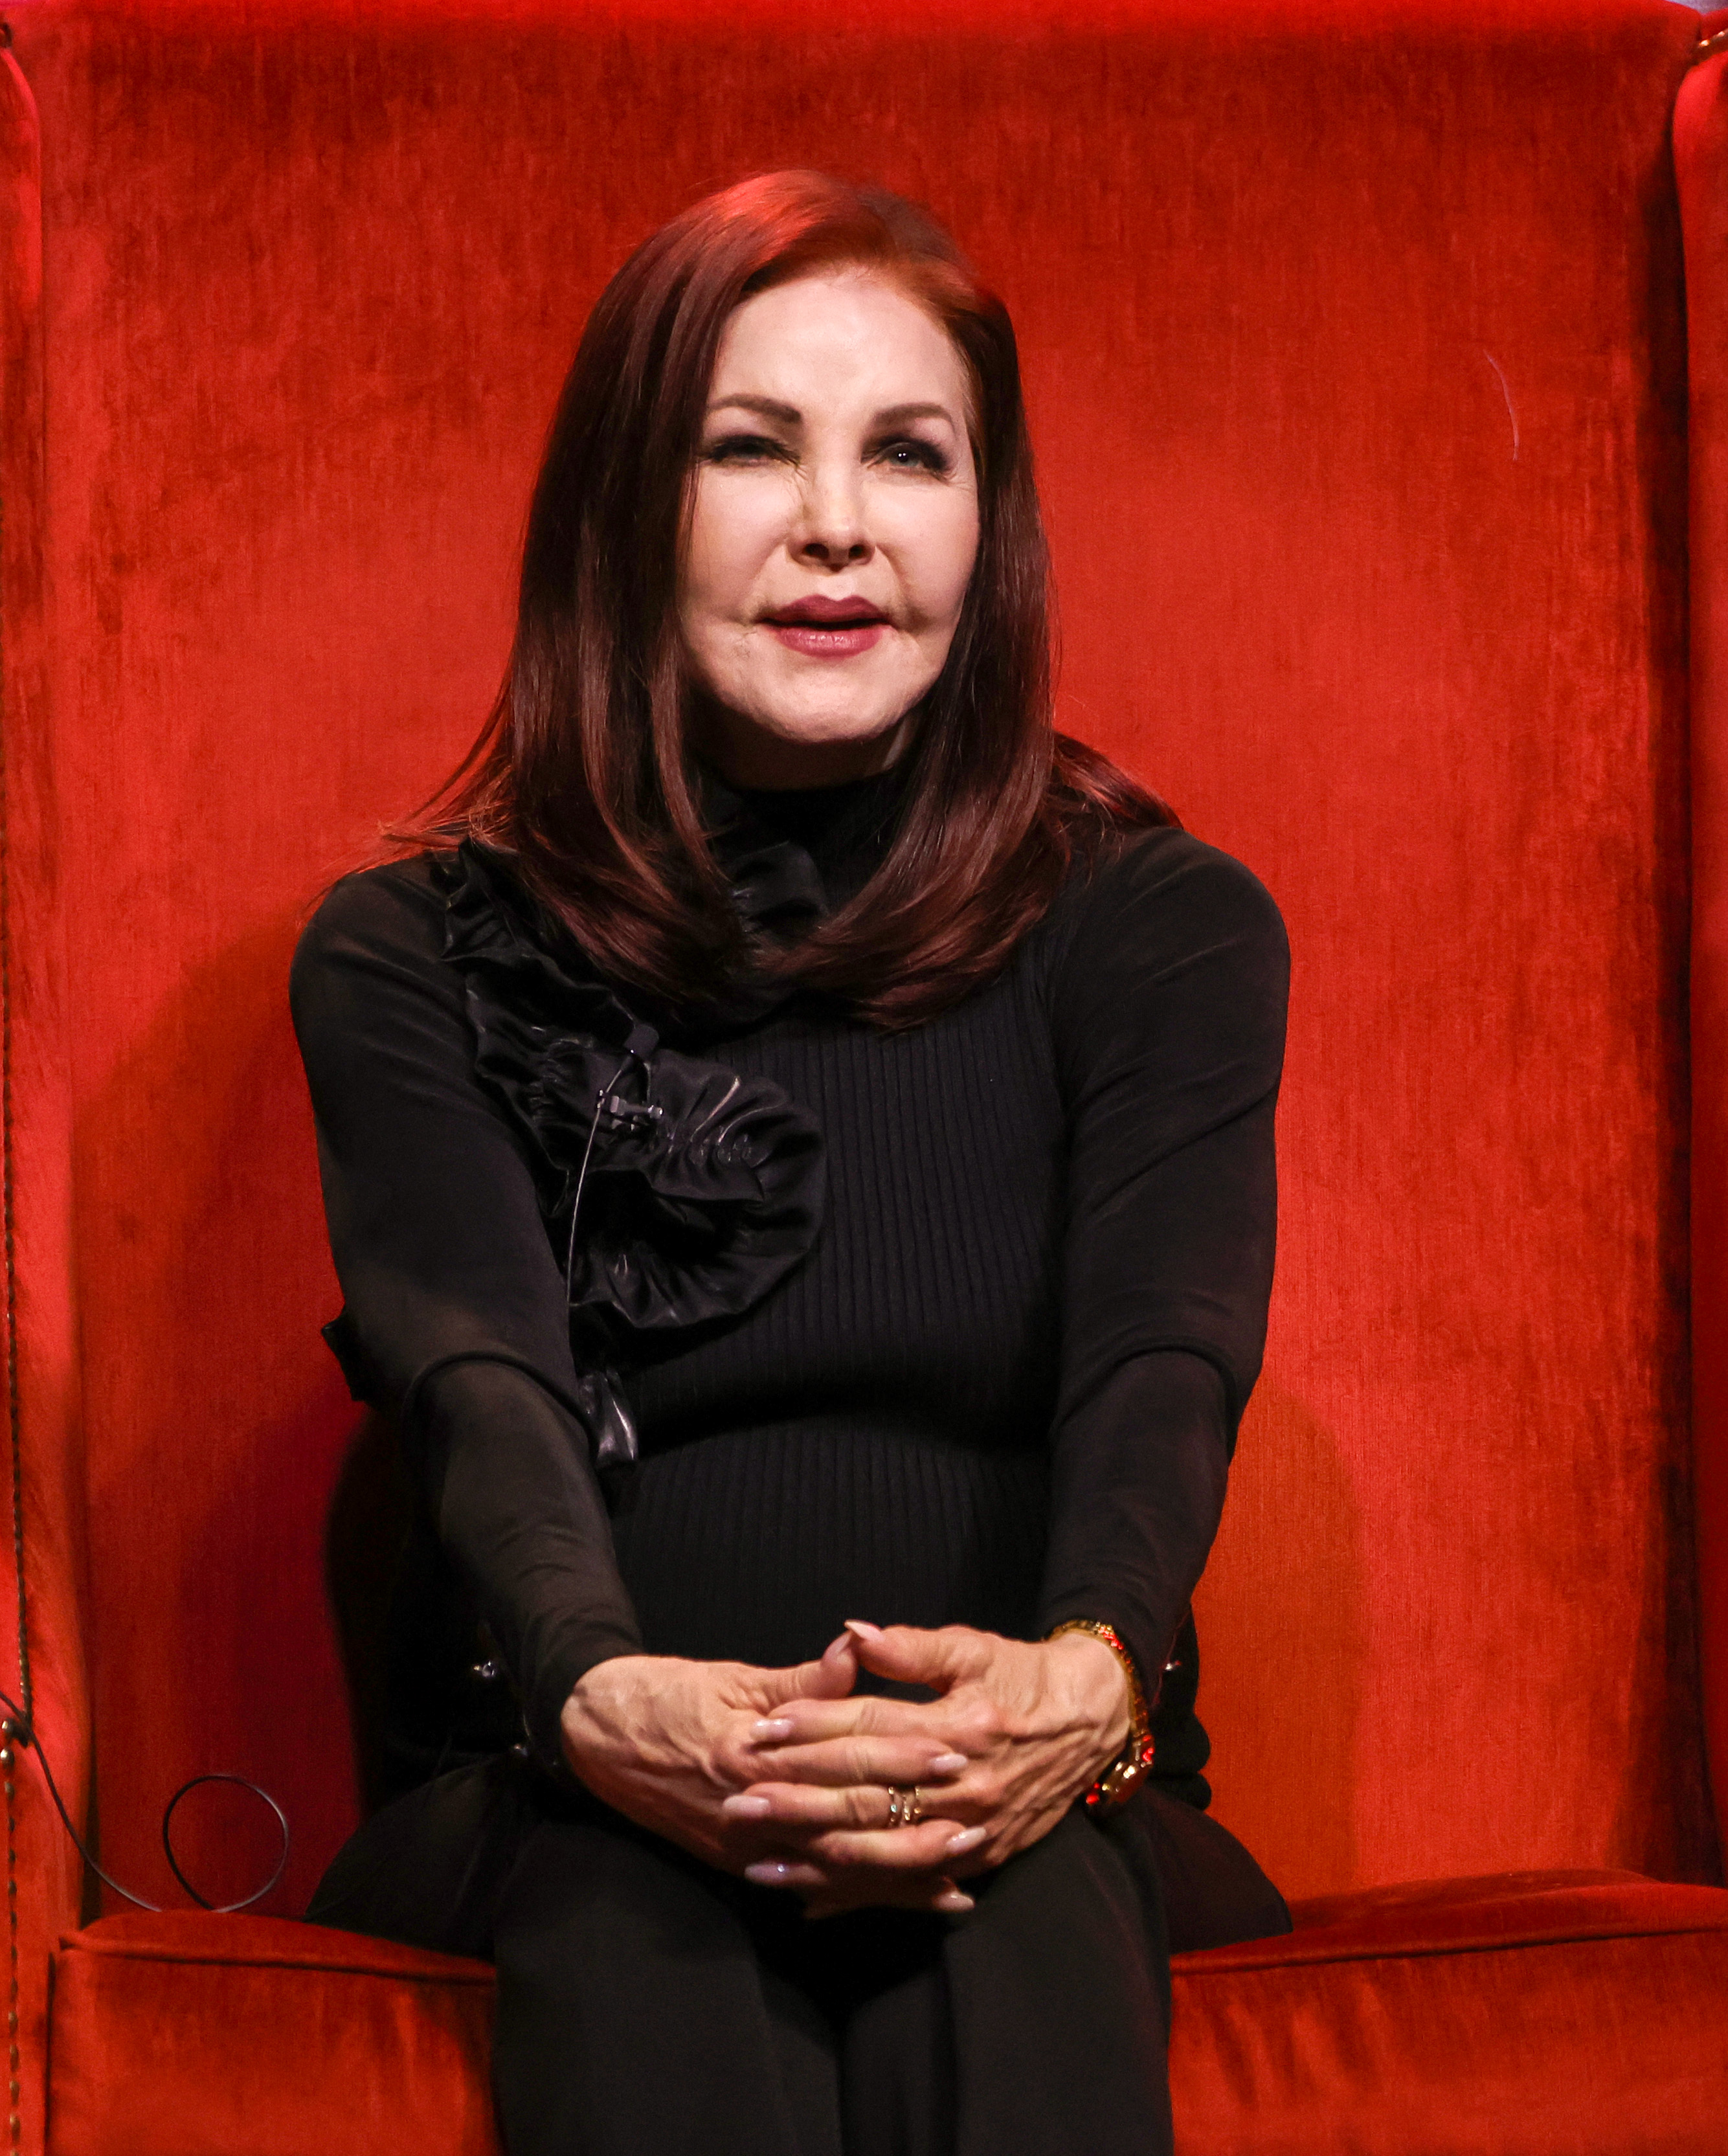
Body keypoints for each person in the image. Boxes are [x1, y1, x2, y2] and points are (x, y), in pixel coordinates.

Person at [291, 169, 1292, 2156]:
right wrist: (605, 1698)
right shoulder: (410, 955)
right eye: (749, 447)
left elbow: (1165, 1363)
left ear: (987, 524)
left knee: (1010, 1903)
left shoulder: (1163, 928)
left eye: (909, 453)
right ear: (623, 510)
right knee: (647, 1904)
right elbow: (476, 1377)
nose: (838, 521)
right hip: (569, 1791)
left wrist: (1080, 1687)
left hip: (1055, 1801)